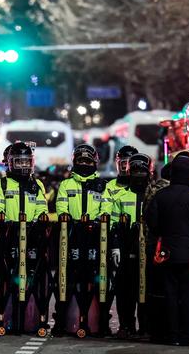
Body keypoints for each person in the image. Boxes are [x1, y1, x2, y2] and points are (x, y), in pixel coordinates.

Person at [146, 156, 189, 346]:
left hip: (167, 254)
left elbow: (151, 223)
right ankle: (187, 335)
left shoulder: (161, 195)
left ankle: (173, 334)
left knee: (170, 295)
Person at [0, 141, 49, 334]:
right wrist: (7, 223)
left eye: (26, 162)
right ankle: (8, 319)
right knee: (9, 279)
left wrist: (39, 221)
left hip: (32, 238)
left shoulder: (37, 184)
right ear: (10, 163)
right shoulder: (2, 184)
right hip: (10, 238)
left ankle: (32, 319)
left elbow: (42, 208)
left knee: (34, 278)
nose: (23, 166)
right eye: (19, 162)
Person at [53, 144, 111, 337]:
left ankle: (101, 322)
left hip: (96, 238)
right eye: (80, 161)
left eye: (87, 161)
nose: (84, 164)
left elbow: (106, 208)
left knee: (99, 280)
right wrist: (68, 220)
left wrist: (98, 223)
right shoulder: (66, 185)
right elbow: (61, 206)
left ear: (95, 162)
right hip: (72, 236)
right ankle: (61, 321)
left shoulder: (103, 185)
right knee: (68, 279)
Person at [110, 153, 156, 338]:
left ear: (149, 172)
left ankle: (145, 327)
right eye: (135, 170)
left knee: (146, 290)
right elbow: (113, 223)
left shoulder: (154, 195)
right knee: (125, 291)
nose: (138, 174)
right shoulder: (121, 195)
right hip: (126, 247)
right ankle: (126, 326)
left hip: (148, 249)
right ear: (129, 171)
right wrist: (114, 246)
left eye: (142, 171)